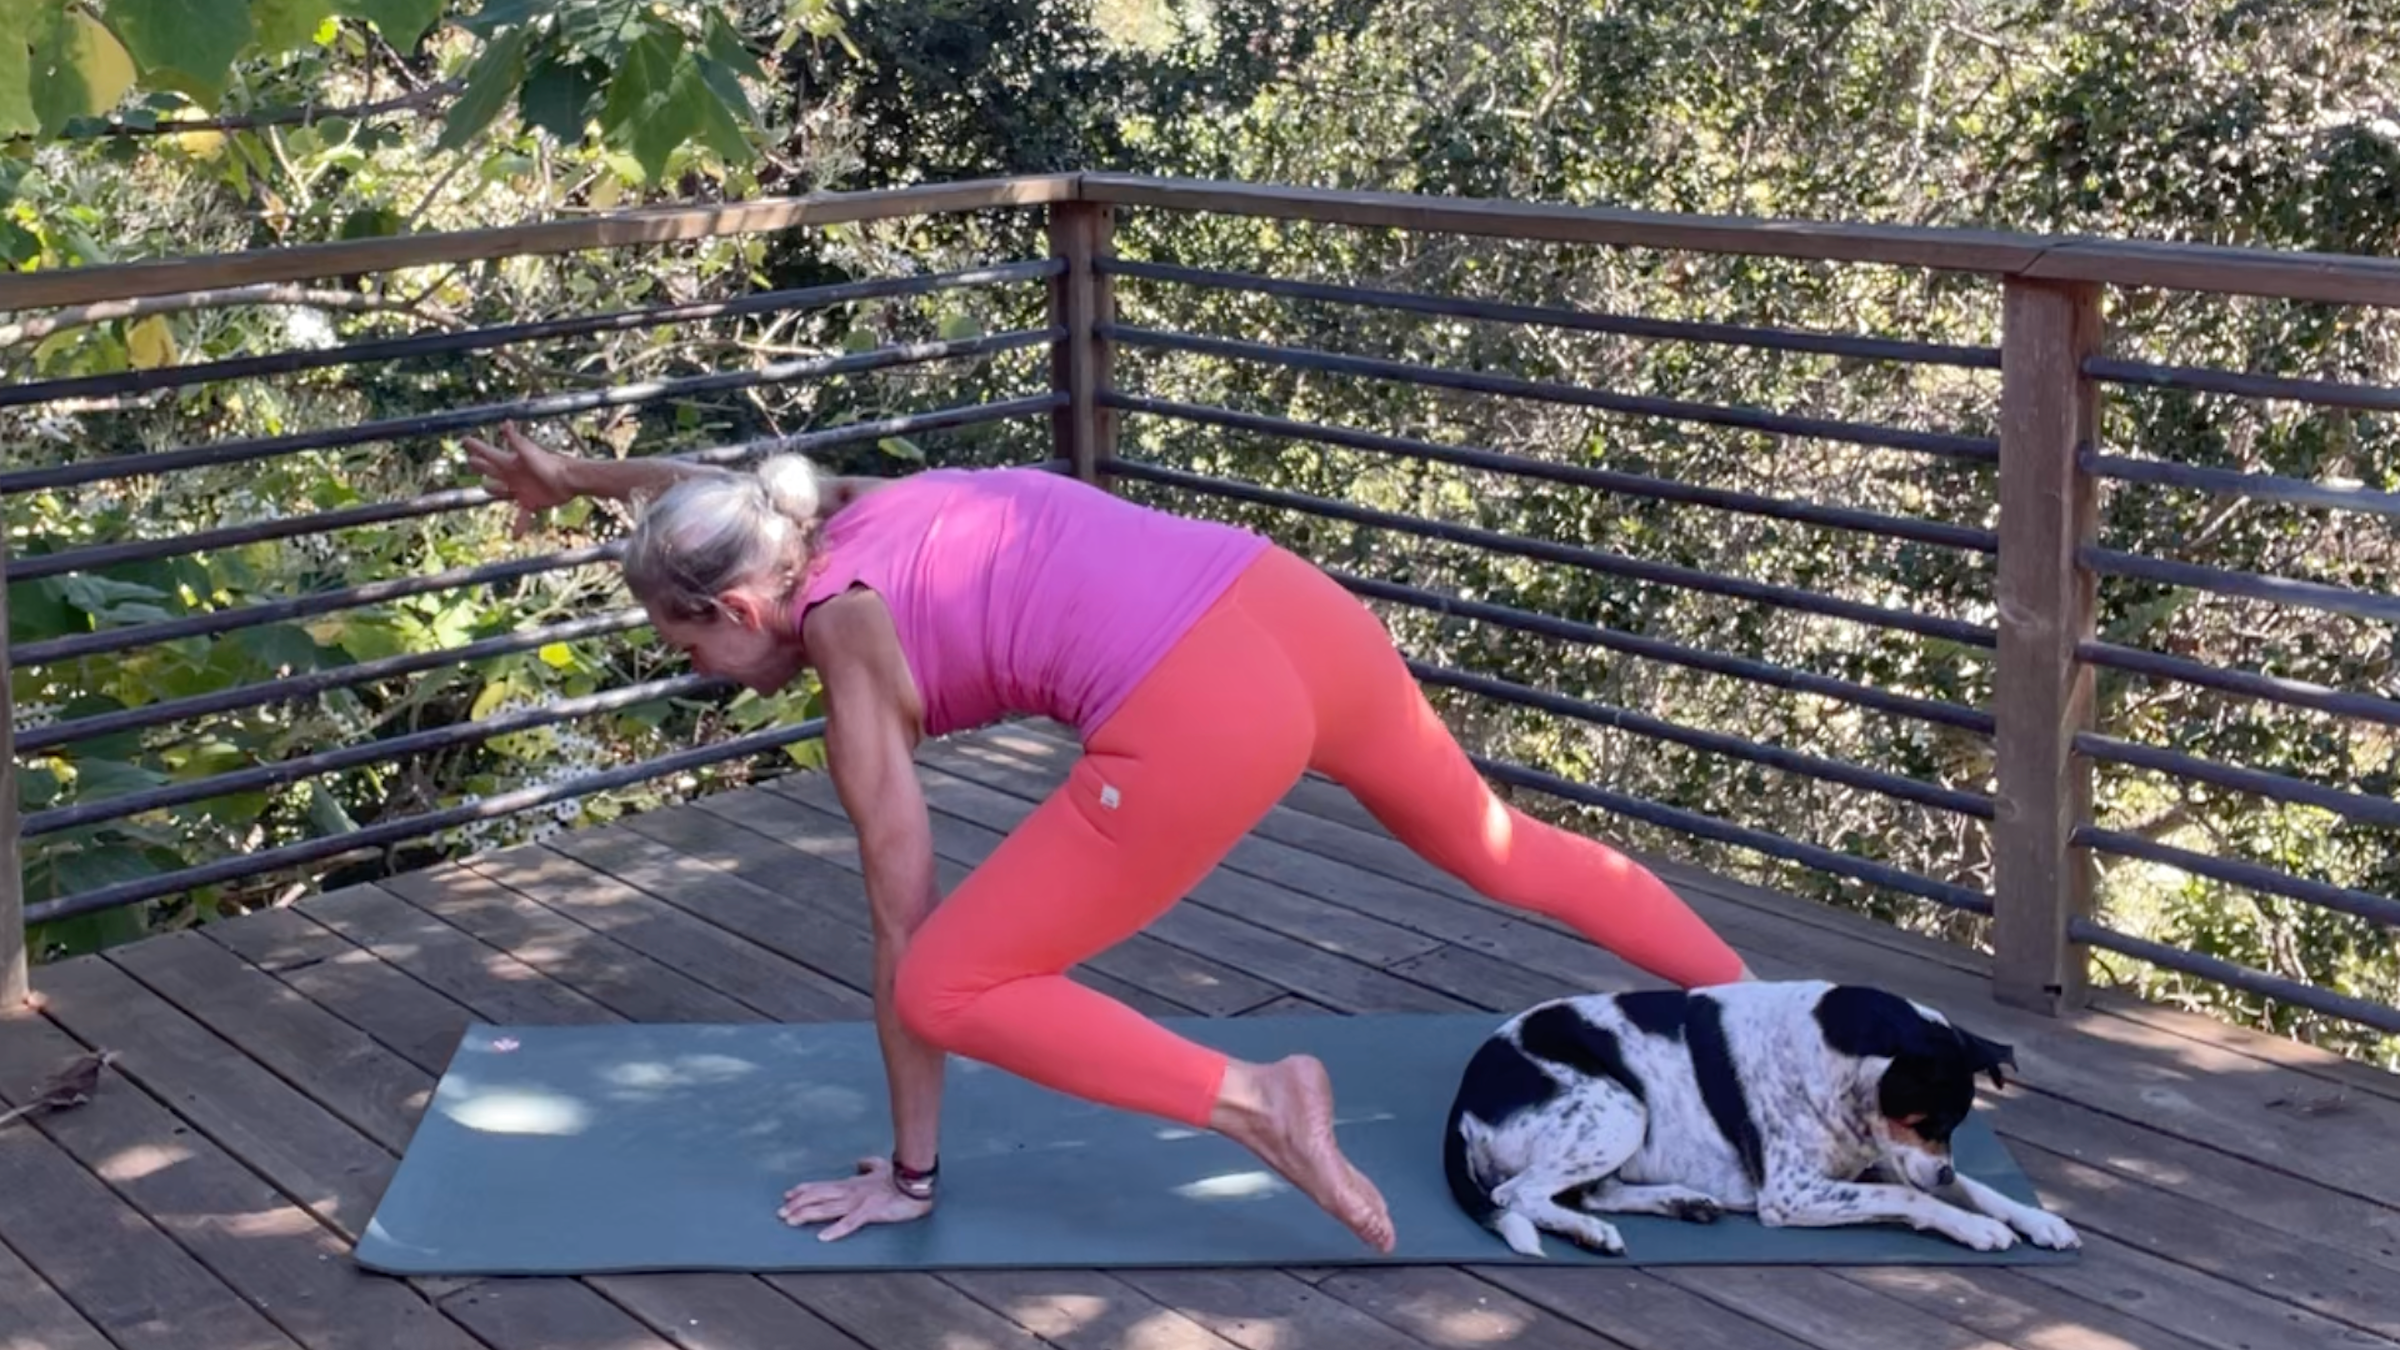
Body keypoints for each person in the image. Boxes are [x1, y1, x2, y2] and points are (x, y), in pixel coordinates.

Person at [462, 421, 1754, 1253]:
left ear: (743, 608)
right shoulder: (824, 507)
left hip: (1200, 710)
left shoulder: (849, 644)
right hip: (1289, 608)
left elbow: (905, 932)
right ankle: (1760, 1012)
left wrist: (910, 1176)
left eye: (686, 643)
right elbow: (712, 491)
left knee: (947, 981)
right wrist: (574, 479)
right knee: (1502, 845)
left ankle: (1261, 1102)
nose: (691, 669)